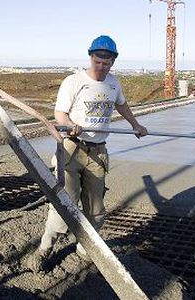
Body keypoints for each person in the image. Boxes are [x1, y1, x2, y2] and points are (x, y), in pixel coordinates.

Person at [34, 35, 148, 264]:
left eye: (107, 62)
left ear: (113, 62)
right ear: (91, 57)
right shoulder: (73, 81)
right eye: (98, 60)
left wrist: (135, 125)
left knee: (96, 210)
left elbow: (121, 104)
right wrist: (68, 125)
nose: (102, 66)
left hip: (98, 152)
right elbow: (60, 114)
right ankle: (44, 250)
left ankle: (85, 250)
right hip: (71, 149)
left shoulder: (114, 84)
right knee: (65, 204)